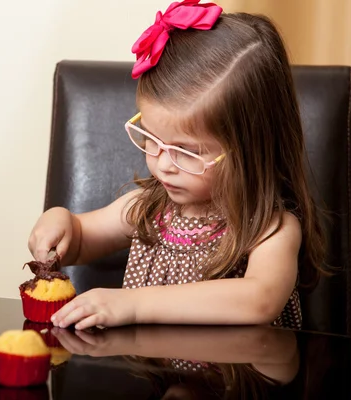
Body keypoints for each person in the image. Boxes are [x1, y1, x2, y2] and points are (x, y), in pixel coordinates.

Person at [27, 0, 325, 331]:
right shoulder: (150, 209)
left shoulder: (270, 228)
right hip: (161, 379)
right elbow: (82, 238)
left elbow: (259, 299)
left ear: (250, 150)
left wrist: (135, 305)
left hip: (239, 378)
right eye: (152, 138)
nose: (162, 164)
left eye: (185, 151)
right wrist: (61, 223)